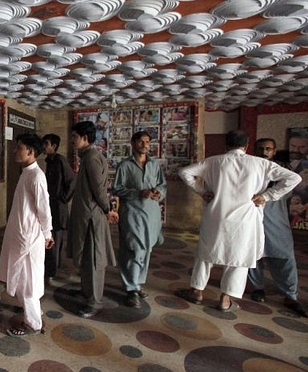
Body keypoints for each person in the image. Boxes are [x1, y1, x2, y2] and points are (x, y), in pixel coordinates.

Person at [176, 130, 301, 312]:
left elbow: (185, 172)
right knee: (238, 257)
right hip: (246, 219)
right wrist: (268, 195)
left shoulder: (213, 161)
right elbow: (294, 177)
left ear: (226, 145)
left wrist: (202, 192)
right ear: (247, 146)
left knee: (205, 254)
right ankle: (225, 300)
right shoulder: (260, 164)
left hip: (216, 217)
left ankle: (196, 291)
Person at [0, 134, 54, 336]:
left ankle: (33, 323)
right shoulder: (26, 173)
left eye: (19, 147)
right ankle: (33, 312)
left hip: (29, 237)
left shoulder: (37, 177)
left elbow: (44, 209)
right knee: (22, 276)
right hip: (21, 234)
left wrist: (47, 233)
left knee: (28, 280)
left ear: (30, 151)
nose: (15, 150)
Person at [247, 138, 307, 317]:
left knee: (285, 256)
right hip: (252, 218)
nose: (264, 152)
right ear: (253, 149)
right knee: (254, 256)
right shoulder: (249, 167)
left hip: (277, 218)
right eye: (260, 148)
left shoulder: (282, 171)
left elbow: (290, 187)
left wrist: (267, 194)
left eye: (268, 149)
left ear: (274, 151)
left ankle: (290, 295)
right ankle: (257, 288)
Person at [67, 121, 119, 318]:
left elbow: (98, 190)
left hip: (92, 218)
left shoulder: (91, 158)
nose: (72, 141)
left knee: (95, 260)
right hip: (86, 216)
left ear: (84, 138)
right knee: (87, 258)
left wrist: (109, 209)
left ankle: (95, 301)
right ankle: (87, 292)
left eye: (74, 137)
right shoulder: (87, 156)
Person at [112, 131, 166, 308]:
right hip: (132, 213)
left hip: (151, 214)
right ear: (133, 143)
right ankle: (131, 289)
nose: (145, 145)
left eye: (147, 142)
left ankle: (137, 284)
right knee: (134, 250)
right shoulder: (125, 166)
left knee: (146, 250)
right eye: (141, 142)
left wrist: (159, 192)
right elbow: (117, 189)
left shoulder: (154, 165)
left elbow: (162, 184)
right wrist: (137, 193)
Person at [41, 133, 76, 283]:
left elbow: (72, 180)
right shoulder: (50, 161)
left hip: (58, 207)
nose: (44, 147)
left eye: (46, 144)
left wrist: (63, 198)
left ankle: (50, 272)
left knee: (54, 241)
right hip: (50, 205)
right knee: (52, 240)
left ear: (54, 146)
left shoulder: (60, 160)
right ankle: (51, 269)